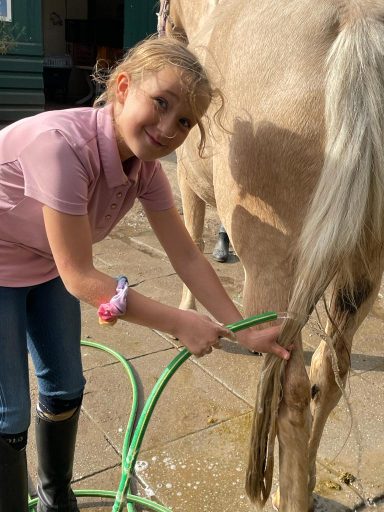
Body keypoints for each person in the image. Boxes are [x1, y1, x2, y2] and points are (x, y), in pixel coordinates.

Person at [0, 36, 290, 512]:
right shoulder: (61, 149)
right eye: (160, 103)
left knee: (67, 386)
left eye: (183, 121)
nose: (166, 128)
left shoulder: (144, 170)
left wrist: (244, 329)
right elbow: (80, 277)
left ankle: (56, 497)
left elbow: (188, 257)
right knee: (8, 413)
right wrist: (179, 322)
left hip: (43, 261)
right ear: (121, 86)